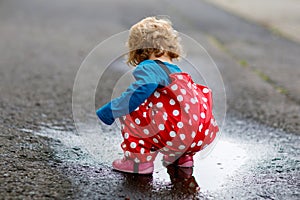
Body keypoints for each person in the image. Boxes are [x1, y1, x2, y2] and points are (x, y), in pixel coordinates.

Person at [96, 16, 219, 174]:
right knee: (173, 111)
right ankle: (182, 158)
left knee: (133, 110)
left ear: (138, 49)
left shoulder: (150, 66)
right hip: (198, 136)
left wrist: (112, 110)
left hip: (173, 133)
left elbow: (140, 92)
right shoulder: (178, 72)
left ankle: (138, 162)